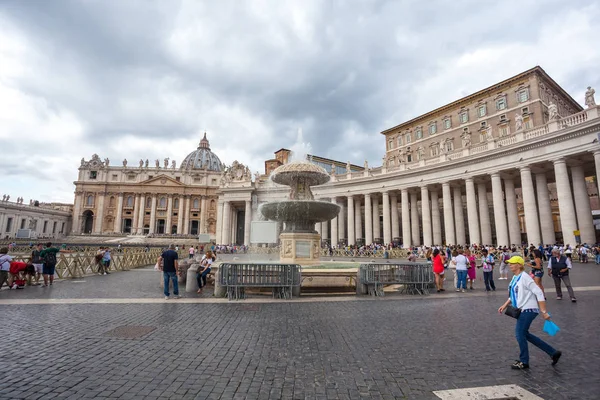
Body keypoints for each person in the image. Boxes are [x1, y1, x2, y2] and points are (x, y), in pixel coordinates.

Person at [498, 256, 562, 370]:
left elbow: (539, 292)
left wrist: (544, 311)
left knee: (519, 334)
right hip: (522, 310)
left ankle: (524, 361)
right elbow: (514, 294)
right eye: (509, 263)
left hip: (528, 310)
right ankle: (553, 352)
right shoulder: (515, 277)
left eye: (512, 263)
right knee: (525, 334)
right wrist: (505, 305)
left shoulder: (525, 277)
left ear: (519, 264)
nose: (510, 265)